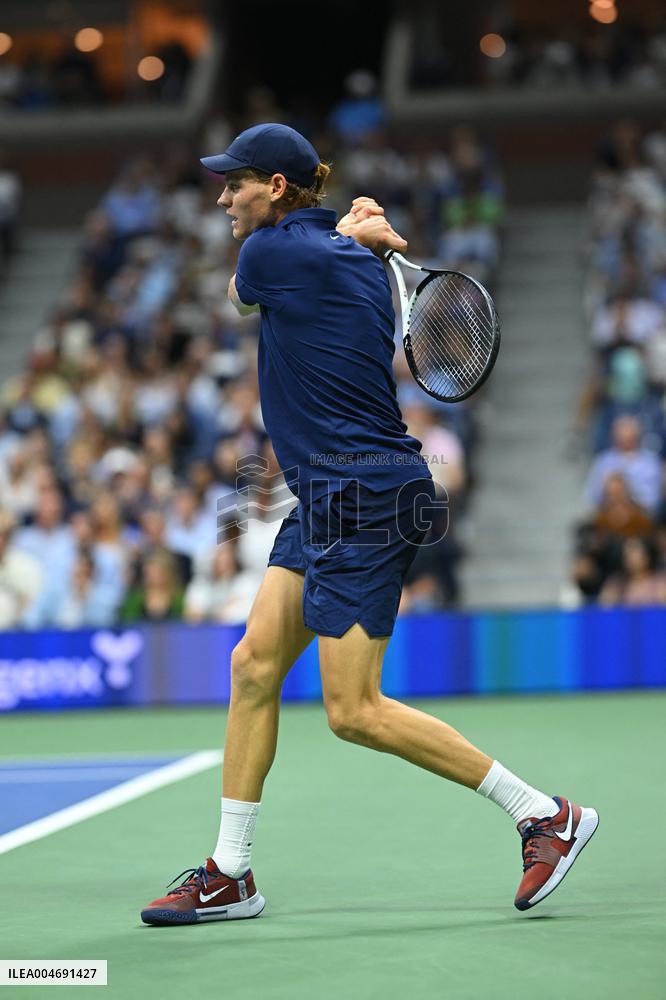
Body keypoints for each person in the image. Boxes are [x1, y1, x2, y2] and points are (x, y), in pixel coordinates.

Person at [140, 123, 598, 926]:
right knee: (253, 665)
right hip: (325, 494)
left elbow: (234, 297)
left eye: (235, 185)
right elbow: (328, 259)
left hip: (366, 497)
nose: (222, 199)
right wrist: (353, 235)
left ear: (276, 188)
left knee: (353, 710)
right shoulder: (363, 265)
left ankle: (543, 815)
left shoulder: (270, 256)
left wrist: (348, 232)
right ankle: (231, 872)